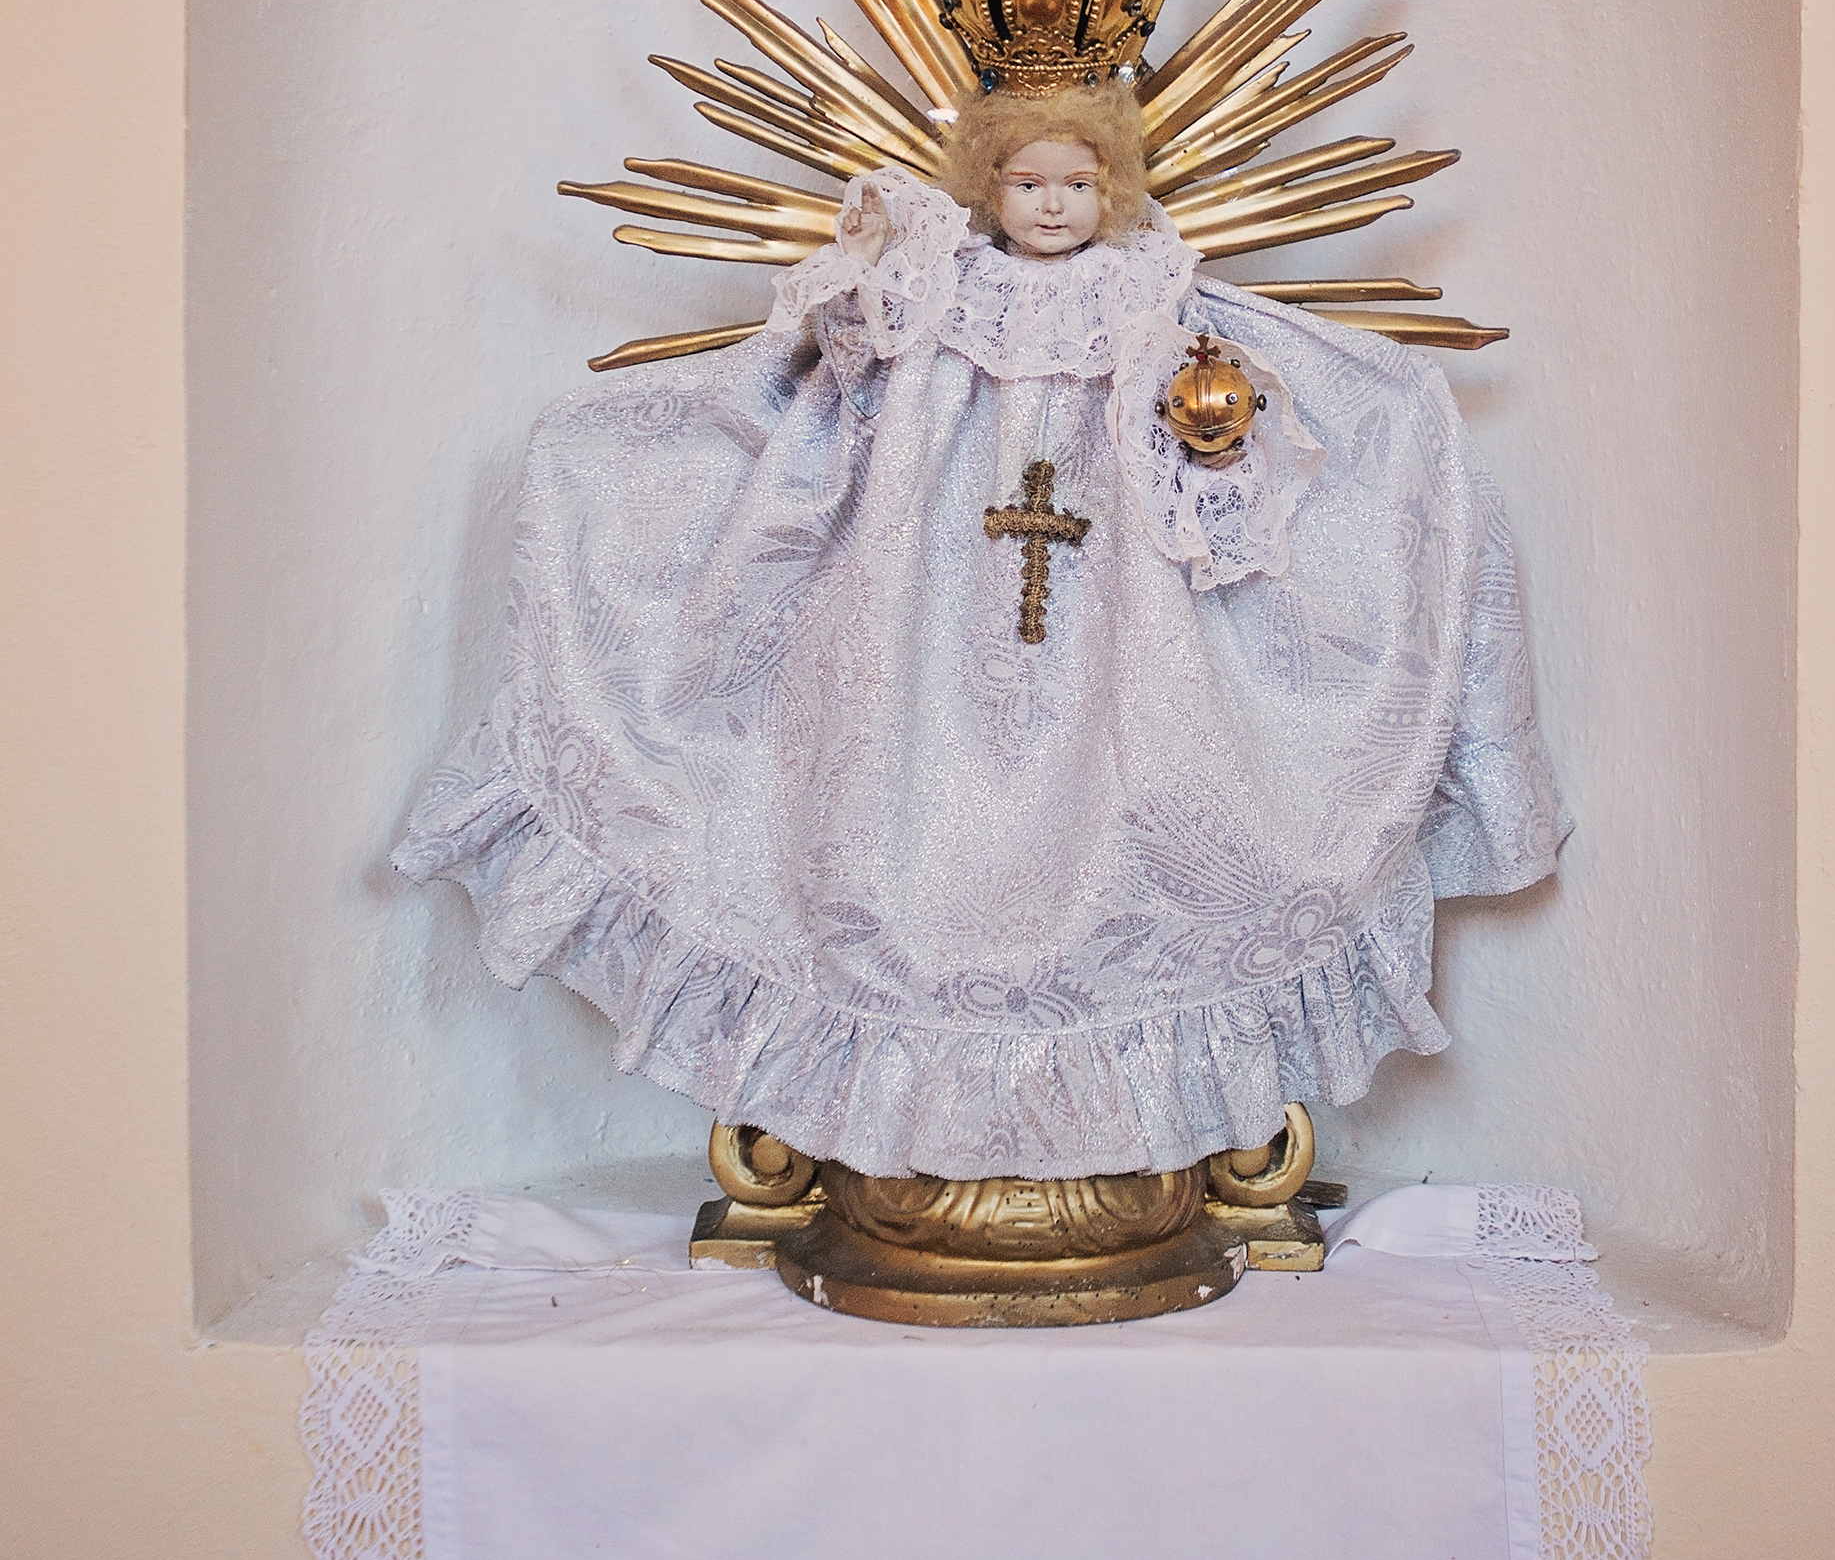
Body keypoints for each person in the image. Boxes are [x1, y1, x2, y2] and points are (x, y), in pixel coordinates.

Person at [394, 72, 1567, 1181]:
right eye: (1026, 183)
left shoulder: (1154, 299)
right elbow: (833, 390)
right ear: (986, 186)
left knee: (1162, 799)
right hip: (918, 611)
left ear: (1112, 185)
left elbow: (1228, 423)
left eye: (1076, 183)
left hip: (1127, 627)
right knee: (872, 807)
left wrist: (1233, 432)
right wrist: (856, 297)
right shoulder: (934, 290)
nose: (1051, 206)